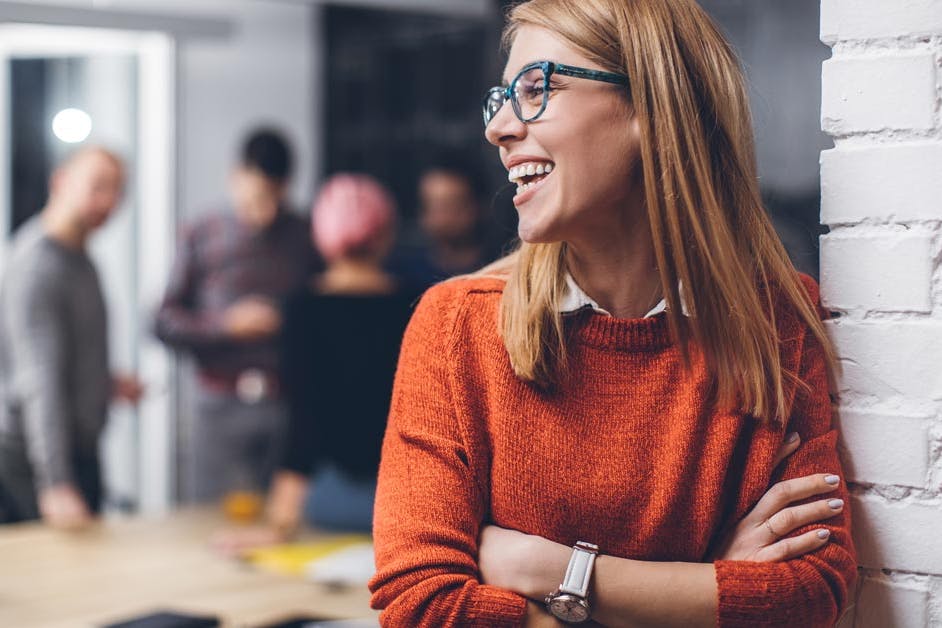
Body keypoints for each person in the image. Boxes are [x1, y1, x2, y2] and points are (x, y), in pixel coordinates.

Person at [368, 1, 856, 626]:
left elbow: (810, 591)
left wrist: (555, 573)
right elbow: (421, 606)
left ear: (651, 109)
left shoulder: (779, 322)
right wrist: (699, 587)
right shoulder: (456, 328)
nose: (498, 128)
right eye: (502, 98)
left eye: (538, 88)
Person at [212, 173, 420, 554]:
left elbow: (302, 421)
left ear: (321, 235)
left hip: (331, 501)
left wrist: (279, 524)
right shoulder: (419, 303)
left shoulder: (303, 309)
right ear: (386, 232)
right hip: (409, 502)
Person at [154, 128, 319, 503]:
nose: (267, 211)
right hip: (218, 404)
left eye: (277, 196)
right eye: (258, 196)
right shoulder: (201, 232)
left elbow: (321, 319)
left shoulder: (304, 234)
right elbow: (163, 321)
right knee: (208, 519)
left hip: (286, 404)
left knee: (285, 524)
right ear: (236, 178)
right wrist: (225, 325)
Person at [0, 147, 143, 529]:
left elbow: (62, 360)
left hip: (80, 449)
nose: (109, 201)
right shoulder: (36, 265)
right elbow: (38, 380)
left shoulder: (82, 261)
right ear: (60, 181)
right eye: (98, 186)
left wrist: (104, 384)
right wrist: (56, 482)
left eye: (117, 191)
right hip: (33, 459)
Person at [388, 156, 499, 288]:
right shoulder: (402, 277)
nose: (440, 216)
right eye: (430, 205)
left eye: (451, 205)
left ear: (479, 206)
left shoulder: (498, 271)